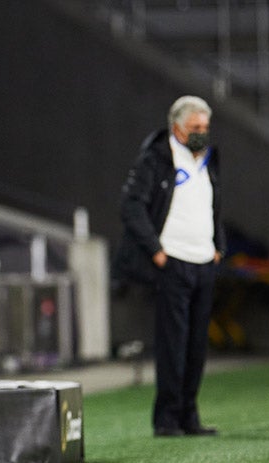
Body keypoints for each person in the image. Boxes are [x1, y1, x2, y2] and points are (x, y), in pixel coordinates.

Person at [116, 95, 225, 437]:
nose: (201, 133)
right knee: (172, 343)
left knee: (196, 344)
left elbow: (213, 206)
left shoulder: (209, 158)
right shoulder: (157, 159)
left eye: (205, 127)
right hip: (174, 261)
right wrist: (156, 250)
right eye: (195, 128)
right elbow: (131, 206)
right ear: (176, 127)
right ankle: (167, 417)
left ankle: (189, 415)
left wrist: (218, 246)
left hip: (204, 261)